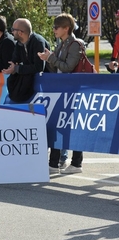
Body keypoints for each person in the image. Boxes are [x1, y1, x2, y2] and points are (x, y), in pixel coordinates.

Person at [38, 13, 83, 175]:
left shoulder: (75, 44)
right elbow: (57, 66)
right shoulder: (63, 43)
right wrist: (47, 58)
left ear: (66, 28)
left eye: (57, 27)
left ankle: (76, 163)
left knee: (71, 126)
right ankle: (54, 163)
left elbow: (67, 67)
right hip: (62, 90)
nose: (54, 30)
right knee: (59, 125)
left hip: (71, 91)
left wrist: (51, 58)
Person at [2, 18, 50, 103]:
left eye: (13, 29)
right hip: (28, 82)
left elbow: (38, 67)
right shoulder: (19, 43)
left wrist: (17, 68)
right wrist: (11, 67)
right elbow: (14, 60)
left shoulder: (38, 42)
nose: (12, 32)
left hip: (43, 87)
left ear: (20, 33)